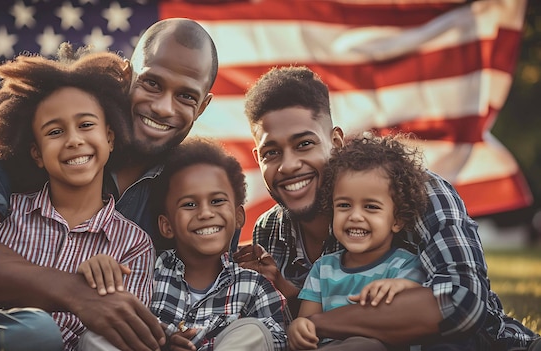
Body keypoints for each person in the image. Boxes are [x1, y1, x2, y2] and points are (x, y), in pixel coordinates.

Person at [0, 17, 217, 351]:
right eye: (152, 84)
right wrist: (76, 293)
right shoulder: (27, 122)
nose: (164, 107)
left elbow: (198, 294)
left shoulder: (197, 190)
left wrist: (157, 336)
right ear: (126, 75)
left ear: (204, 105)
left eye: (187, 97)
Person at [232, 66, 541, 350]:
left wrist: (318, 323)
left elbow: (461, 303)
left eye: (304, 144)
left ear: (335, 141)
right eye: (271, 152)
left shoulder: (415, 192)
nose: (288, 166)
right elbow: (296, 329)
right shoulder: (271, 230)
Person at [77, 138, 289, 351]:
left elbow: (278, 341)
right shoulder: (147, 269)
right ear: (166, 225)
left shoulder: (254, 285)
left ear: (238, 216)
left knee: (254, 331)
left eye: (217, 201)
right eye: (189, 204)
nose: (205, 213)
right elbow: (119, 318)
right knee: (96, 336)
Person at [287, 132, 428, 351]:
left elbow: (420, 305)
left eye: (371, 207)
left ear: (397, 220)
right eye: (344, 205)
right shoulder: (323, 269)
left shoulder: (404, 266)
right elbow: (308, 320)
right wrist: (298, 327)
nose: (355, 216)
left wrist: (401, 286)